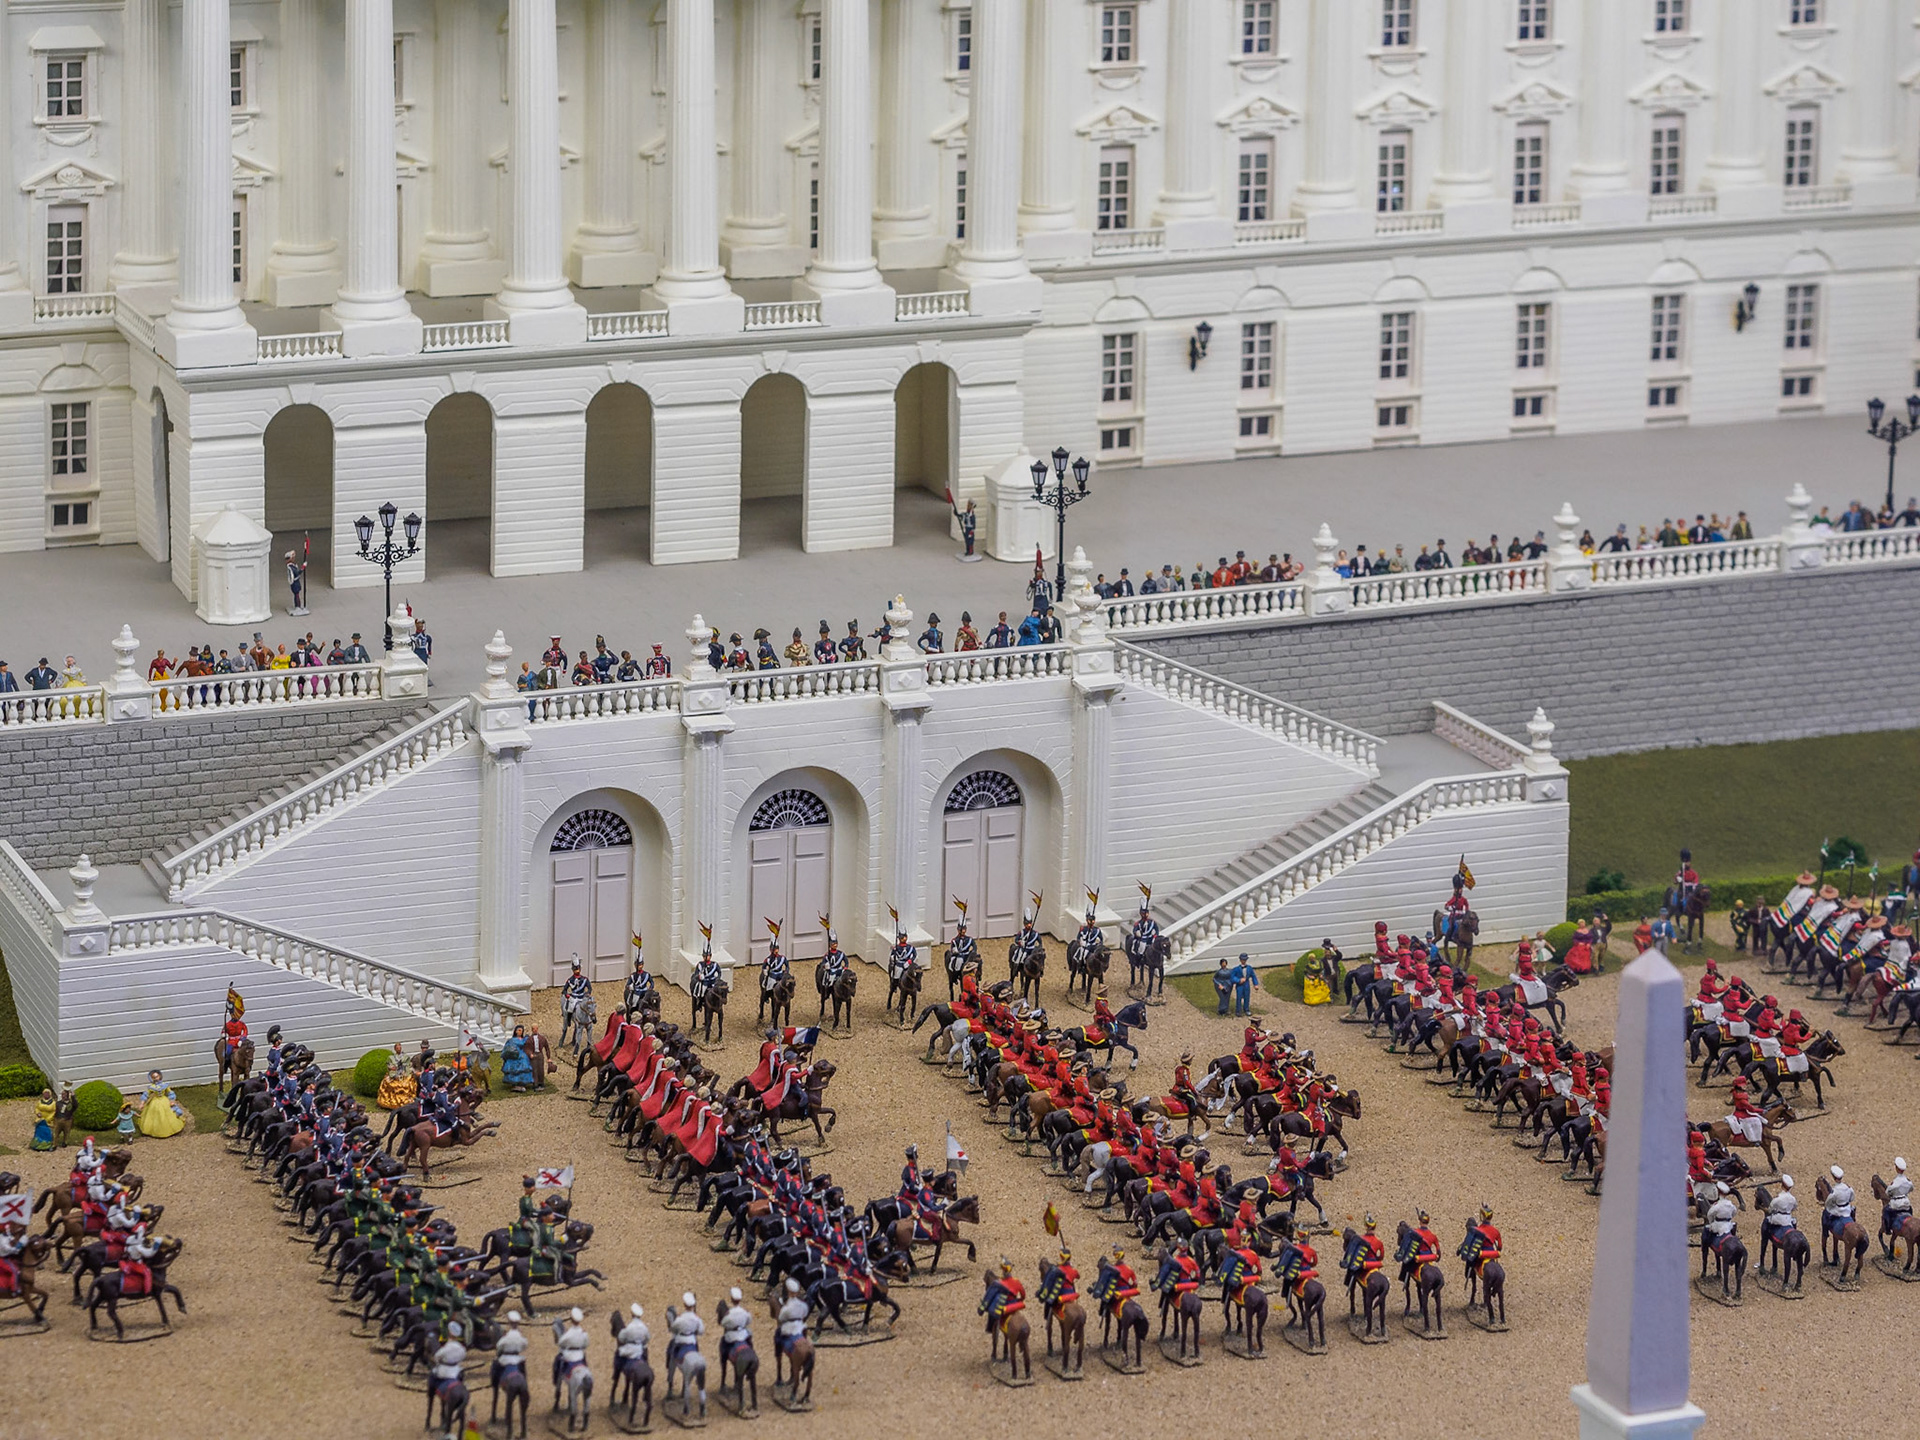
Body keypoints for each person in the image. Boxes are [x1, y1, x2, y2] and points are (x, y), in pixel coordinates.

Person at [133, 1069, 185, 1138]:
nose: (156, 1078)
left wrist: (172, 1101)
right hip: (154, 1101)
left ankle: (168, 1128)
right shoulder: (151, 1087)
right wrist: (142, 1103)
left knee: (169, 1113)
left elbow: (170, 1093)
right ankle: (154, 1129)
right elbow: (146, 1095)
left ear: (160, 1076)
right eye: (154, 1077)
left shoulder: (164, 1085)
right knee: (153, 1114)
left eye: (157, 1076)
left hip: (164, 1100)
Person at [1883, 1157, 1913, 1238]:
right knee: (1910, 1210)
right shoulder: (1908, 1181)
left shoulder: (1895, 1182)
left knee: (1886, 1211)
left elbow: (1888, 1192)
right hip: (1906, 1203)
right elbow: (1911, 1188)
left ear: (1896, 1168)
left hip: (1896, 1204)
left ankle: (1888, 1228)